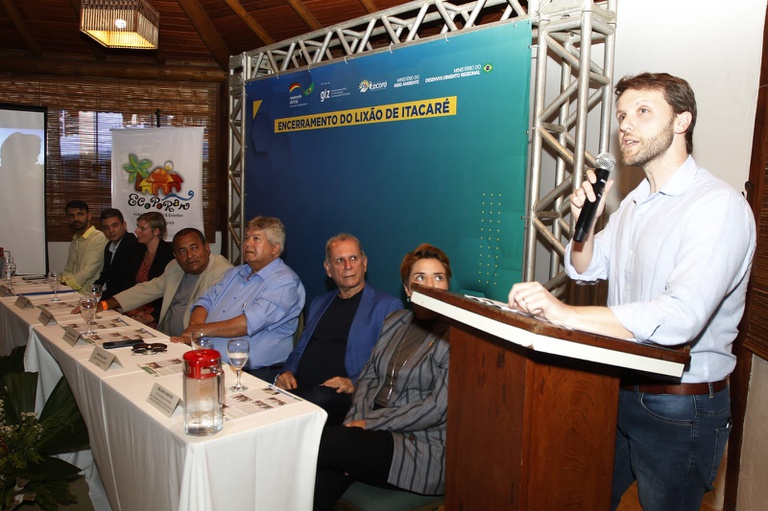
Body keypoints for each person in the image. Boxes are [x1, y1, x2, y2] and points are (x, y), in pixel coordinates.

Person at [507, 72, 756, 511]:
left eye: (643, 112)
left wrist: (566, 314)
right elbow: (585, 268)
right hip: (619, 388)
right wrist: (586, 225)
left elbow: (681, 317)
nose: (625, 125)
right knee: (581, 496)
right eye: (622, 115)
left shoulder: (717, 206)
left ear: (681, 121)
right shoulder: (633, 204)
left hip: (681, 406)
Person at [314, 243, 452, 511]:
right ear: (408, 289)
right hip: (369, 438)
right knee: (318, 482)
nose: (430, 285)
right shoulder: (396, 321)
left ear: (448, 286)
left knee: (324, 445)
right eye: (420, 278)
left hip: (420, 447)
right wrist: (356, 421)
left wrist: (368, 423)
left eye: (438, 277)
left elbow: (437, 408)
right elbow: (368, 378)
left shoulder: (457, 336)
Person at [275, 233, 402, 426]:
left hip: (342, 396)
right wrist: (287, 372)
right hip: (300, 388)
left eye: (353, 258)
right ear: (328, 269)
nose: (348, 266)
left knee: (298, 408)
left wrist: (353, 382)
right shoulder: (319, 302)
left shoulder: (387, 306)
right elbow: (300, 349)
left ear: (364, 263)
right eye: (339, 260)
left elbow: (390, 364)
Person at [179, 216, 305, 383]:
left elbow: (247, 324)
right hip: (207, 359)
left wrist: (200, 331)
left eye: (256, 239)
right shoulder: (235, 273)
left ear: (275, 248)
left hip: (252, 373)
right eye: (246, 238)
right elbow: (204, 301)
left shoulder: (285, 282)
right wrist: (195, 333)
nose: (248, 244)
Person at [91, 228, 233, 336]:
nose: (190, 255)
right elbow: (147, 289)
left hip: (197, 342)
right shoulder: (174, 267)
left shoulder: (223, 272)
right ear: (175, 255)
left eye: (194, 248)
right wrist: (106, 304)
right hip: (167, 338)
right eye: (182, 251)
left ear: (206, 248)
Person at [124, 211, 175, 328]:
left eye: (142, 228)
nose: (136, 231)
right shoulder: (137, 250)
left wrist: (149, 317)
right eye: (137, 227)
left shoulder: (169, 255)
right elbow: (128, 283)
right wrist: (129, 307)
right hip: (134, 310)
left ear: (156, 231)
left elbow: (170, 294)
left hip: (158, 315)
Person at [62, 200, 108, 293]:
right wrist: (60, 283)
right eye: (71, 216)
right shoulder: (75, 240)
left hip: (90, 295)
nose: (76, 219)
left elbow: (88, 270)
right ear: (67, 219)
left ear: (89, 216)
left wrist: (65, 287)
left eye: (80, 214)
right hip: (73, 293)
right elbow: (68, 270)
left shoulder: (99, 238)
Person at [94, 208, 141, 299]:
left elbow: (125, 283)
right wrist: (93, 292)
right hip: (111, 296)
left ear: (124, 225)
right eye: (106, 227)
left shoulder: (133, 245)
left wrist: (102, 301)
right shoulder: (109, 246)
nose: (111, 230)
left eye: (115, 225)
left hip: (126, 299)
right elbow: (105, 275)